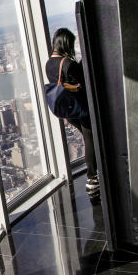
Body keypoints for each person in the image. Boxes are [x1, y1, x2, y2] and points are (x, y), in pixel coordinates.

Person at [44, 28, 99, 198]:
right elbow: (84, 82)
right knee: (90, 138)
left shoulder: (49, 64)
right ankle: (92, 177)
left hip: (67, 110)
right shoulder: (68, 64)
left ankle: (95, 170)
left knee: (87, 136)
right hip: (80, 106)